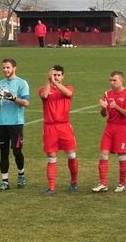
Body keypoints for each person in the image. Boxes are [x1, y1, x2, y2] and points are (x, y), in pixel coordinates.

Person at [92, 71, 126, 193]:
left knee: (121, 156)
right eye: (110, 80)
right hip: (109, 127)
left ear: (121, 80)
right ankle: (103, 183)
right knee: (103, 154)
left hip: (123, 127)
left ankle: (122, 184)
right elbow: (103, 115)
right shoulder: (107, 94)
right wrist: (104, 108)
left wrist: (115, 106)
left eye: (114, 80)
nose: (111, 82)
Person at [39, 65, 79, 195]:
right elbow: (44, 95)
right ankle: (51, 187)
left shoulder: (68, 88)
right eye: (53, 74)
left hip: (64, 126)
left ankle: (74, 182)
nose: (55, 77)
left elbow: (69, 94)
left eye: (58, 75)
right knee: (51, 156)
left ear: (62, 76)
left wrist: (55, 82)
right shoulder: (43, 89)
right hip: (49, 127)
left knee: (71, 154)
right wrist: (48, 81)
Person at [0, 58, 30, 191]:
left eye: (8, 67)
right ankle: (5, 181)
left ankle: (21, 174)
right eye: (3, 68)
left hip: (16, 123)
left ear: (14, 68)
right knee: (3, 152)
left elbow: (26, 102)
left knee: (17, 151)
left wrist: (12, 98)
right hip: (2, 123)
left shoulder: (21, 83)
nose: (5, 70)